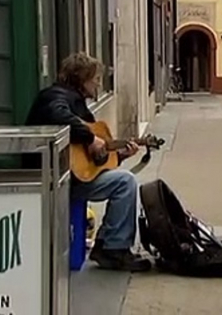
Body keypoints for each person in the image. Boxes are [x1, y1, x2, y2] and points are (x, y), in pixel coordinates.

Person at [25, 53, 151, 272]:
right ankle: (113, 249)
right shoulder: (54, 96)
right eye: (95, 79)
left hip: (69, 175)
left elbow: (92, 162)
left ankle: (108, 244)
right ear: (81, 79)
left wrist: (119, 155)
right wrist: (91, 138)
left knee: (122, 180)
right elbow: (58, 115)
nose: (99, 84)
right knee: (124, 183)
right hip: (53, 177)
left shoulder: (77, 103)